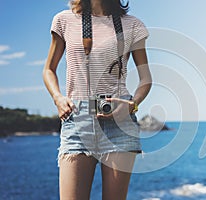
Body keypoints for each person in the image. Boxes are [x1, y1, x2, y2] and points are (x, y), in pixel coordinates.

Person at [43, 0, 152, 199]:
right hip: (77, 120)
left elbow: (146, 79)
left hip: (119, 122)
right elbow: (49, 70)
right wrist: (58, 98)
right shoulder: (63, 20)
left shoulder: (133, 25)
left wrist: (132, 105)